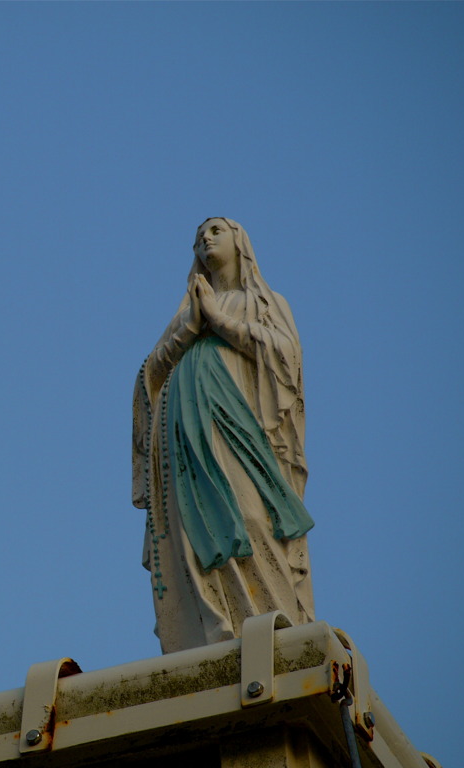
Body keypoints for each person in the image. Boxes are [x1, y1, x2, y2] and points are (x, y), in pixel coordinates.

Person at [132, 218, 315, 653]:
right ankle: (209, 631)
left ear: (241, 242)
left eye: (215, 230)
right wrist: (191, 328)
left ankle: (273, 629)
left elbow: (286, 358)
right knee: (191, 540)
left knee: (251, 519)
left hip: (241, 436)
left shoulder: (265, 304)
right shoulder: (185, 317)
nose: (205, 239)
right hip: (183, 448)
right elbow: (147, 380)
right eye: (199, 238)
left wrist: (219, 320)